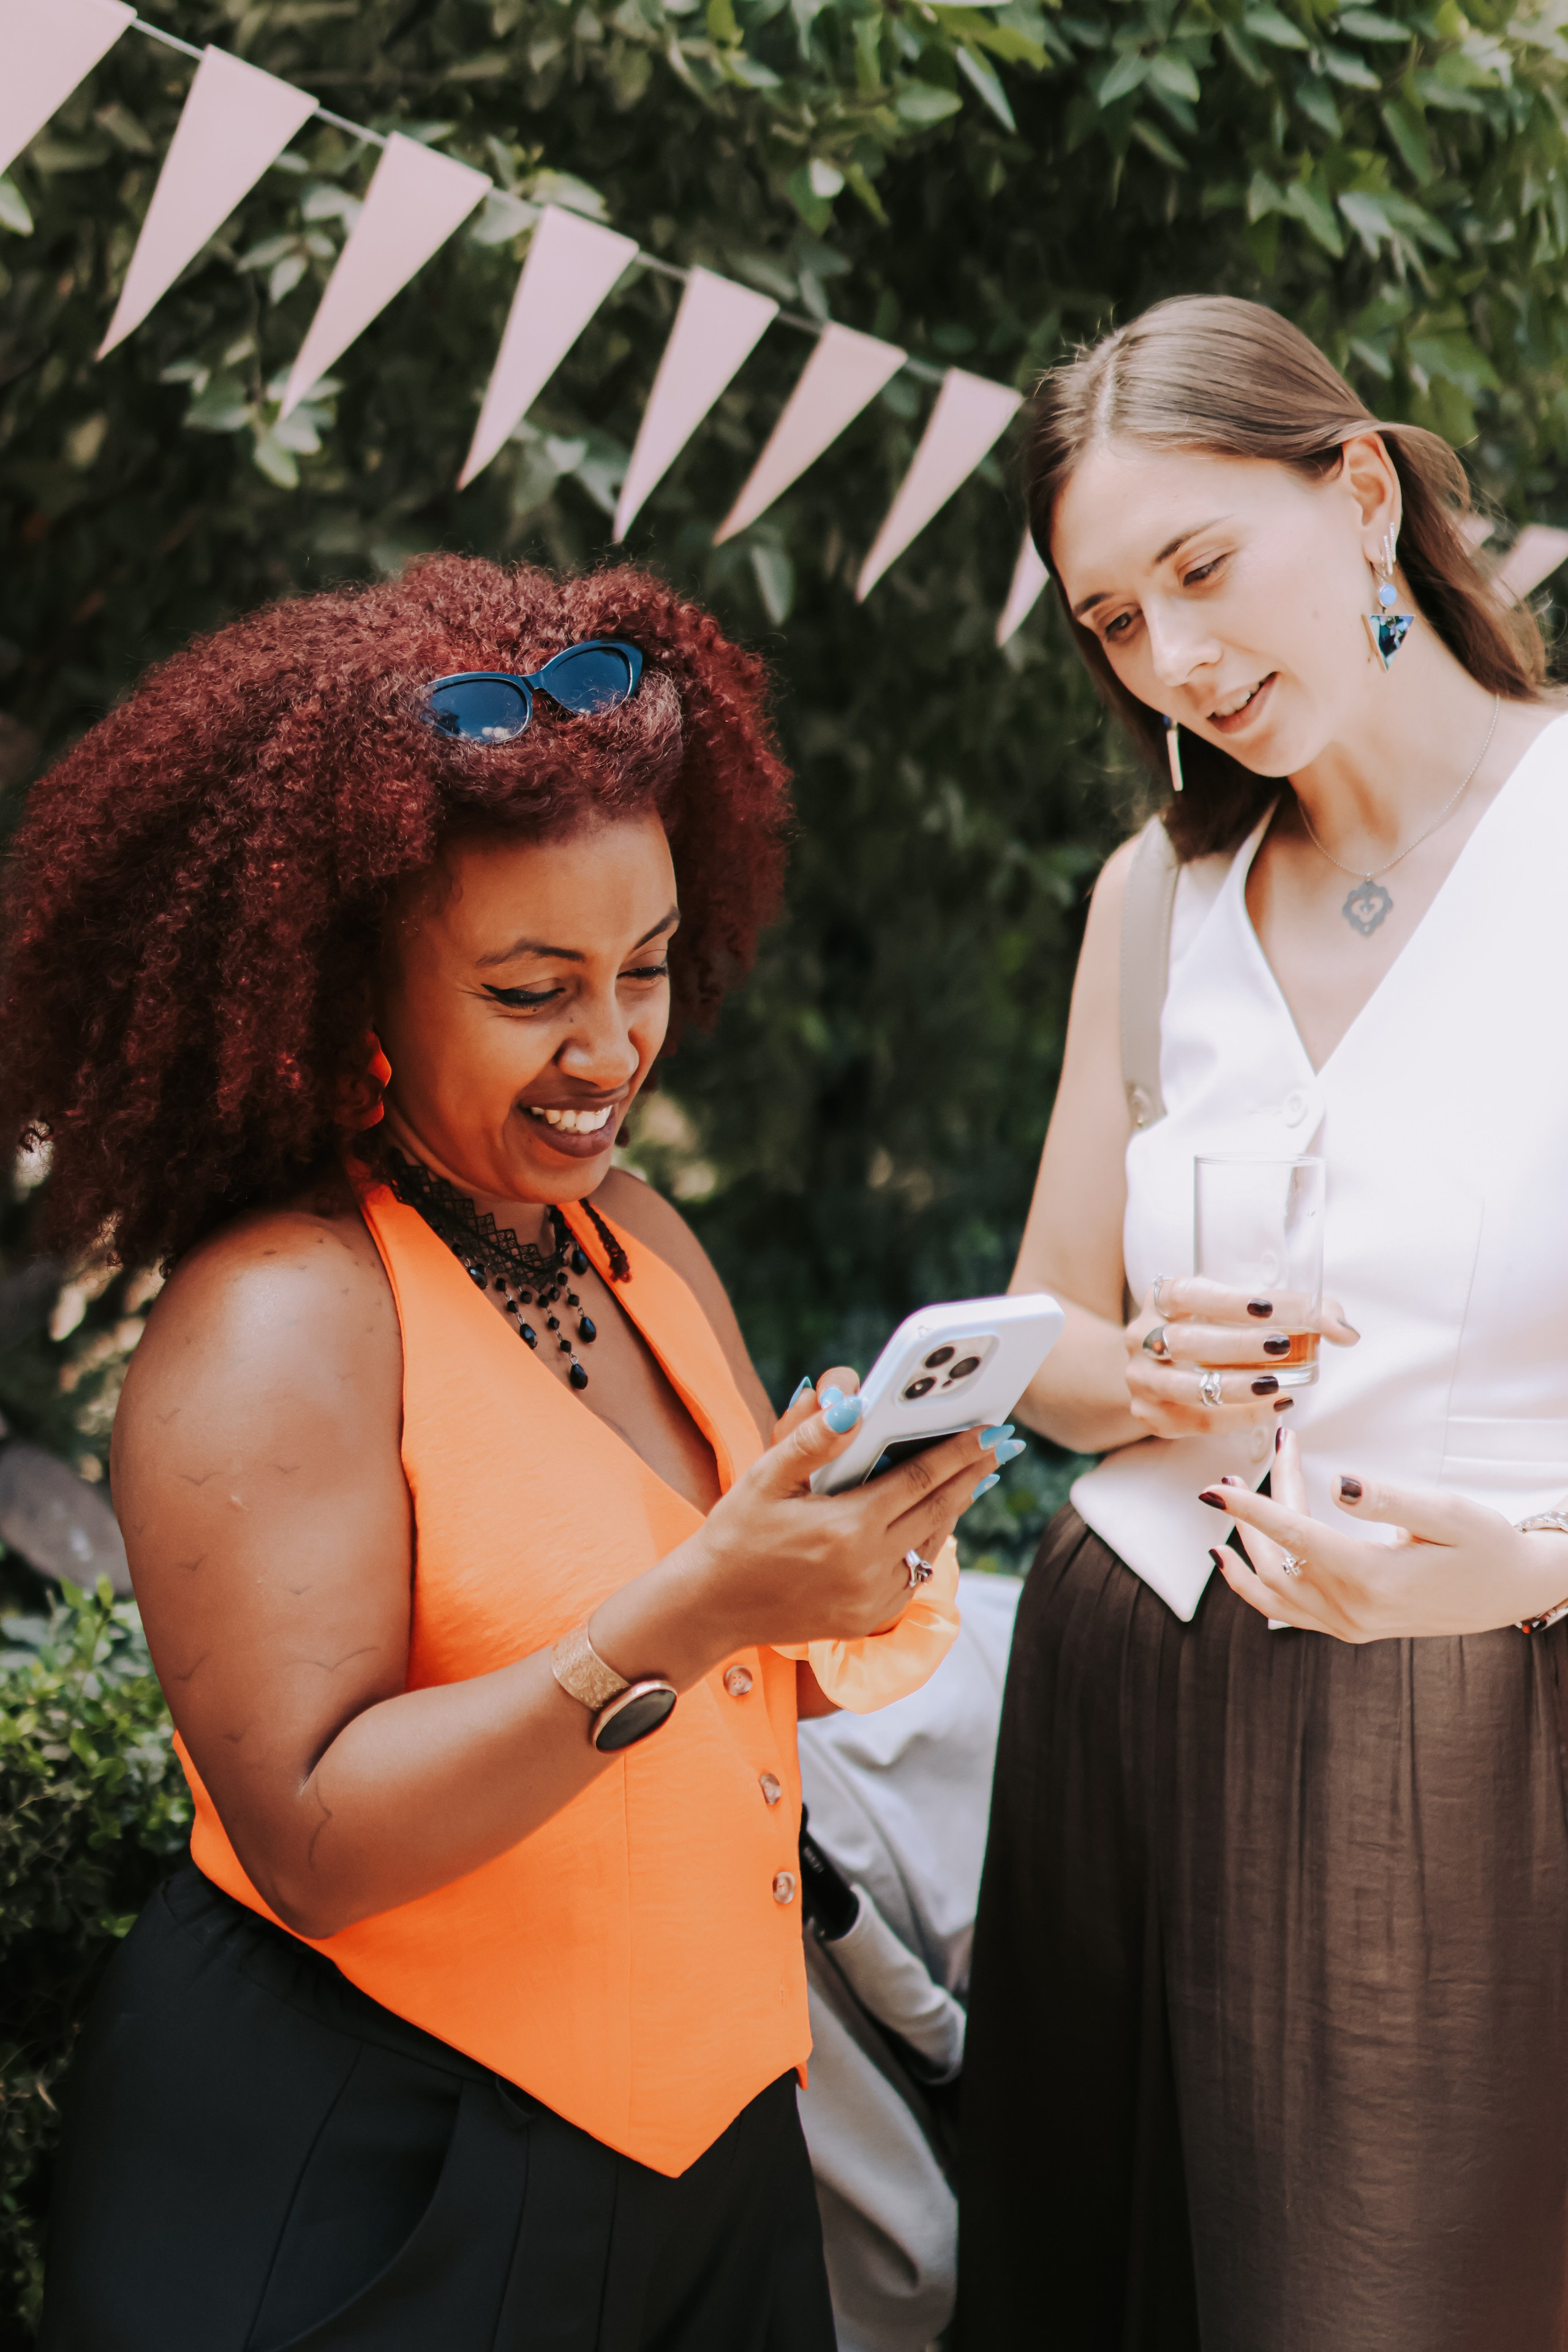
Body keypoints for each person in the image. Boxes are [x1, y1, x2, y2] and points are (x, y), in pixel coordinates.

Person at [0, 555, 1011, 2351]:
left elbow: (745, 1687)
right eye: (535, 989)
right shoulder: (282, 1318)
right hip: (378, 2189)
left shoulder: (636, 1242)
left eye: (643, 967)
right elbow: (310, 1834)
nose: (613, 1046)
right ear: (347, 992)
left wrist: (854, 1552)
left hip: (714, 2173)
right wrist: (695, 1612)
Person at [957, 296, 1568, 2352]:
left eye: (1202, 570)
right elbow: (1046, 1313)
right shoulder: (1156, 899)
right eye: (1114, 622)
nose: (1178, 661)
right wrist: (1120, 1369)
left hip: (1475, 1739)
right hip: (1125, 1691)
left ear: (1364, 492)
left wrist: (1534, 1576)